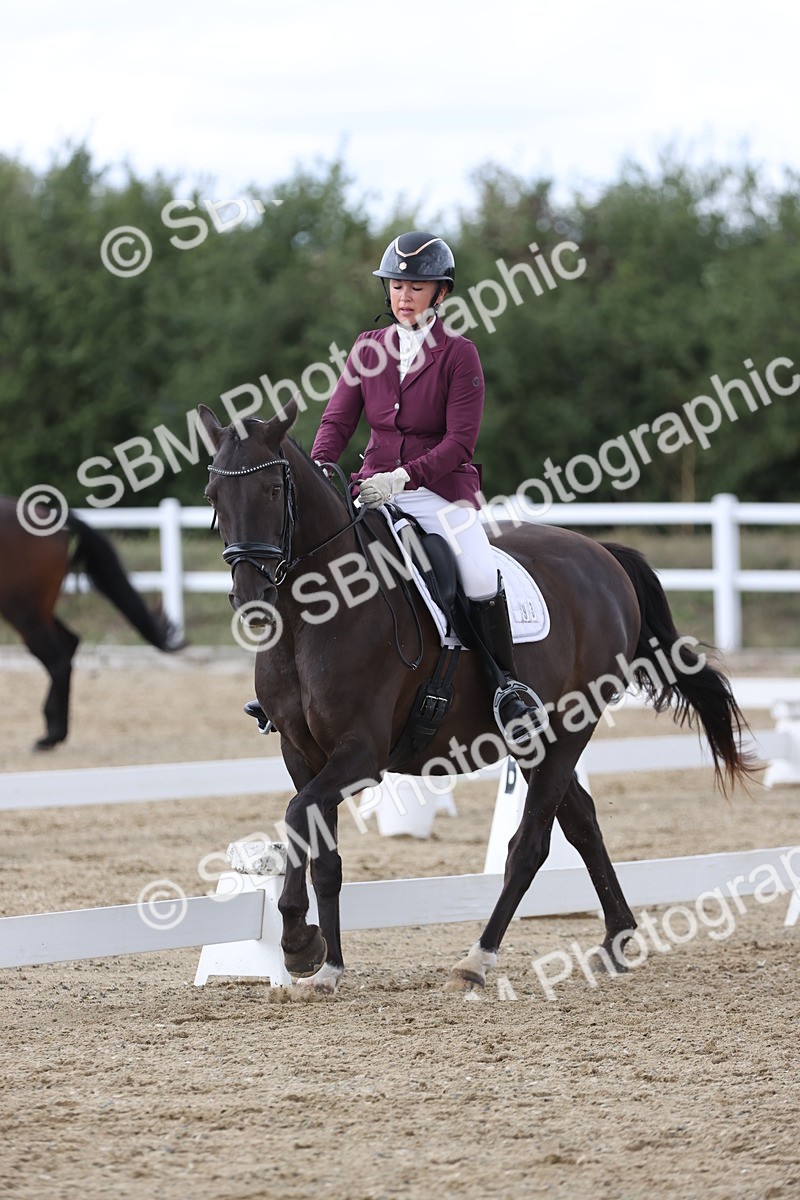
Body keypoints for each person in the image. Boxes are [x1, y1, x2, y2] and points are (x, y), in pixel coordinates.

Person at [306, 230, 542, 748]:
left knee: (479, 571)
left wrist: (404, 478)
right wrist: (322, 466)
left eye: (417, 285)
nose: (403, 294)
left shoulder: (460, 355)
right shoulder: (368, 348)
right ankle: (295, 681)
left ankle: (507, 687)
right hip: (369, 488)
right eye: (396, 284)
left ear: (440, 293)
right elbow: (337, 421)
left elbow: (460, 442)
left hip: (437, 490)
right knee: (313, 554)